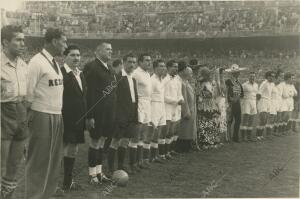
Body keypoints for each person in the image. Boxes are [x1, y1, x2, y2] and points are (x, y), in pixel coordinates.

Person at [25, 28, 67, 199]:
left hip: (57, 114)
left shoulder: (55, 62)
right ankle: (34, 195)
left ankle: (47, 194)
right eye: (64, 41)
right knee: (38, 160)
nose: (65, 45)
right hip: (41, 114)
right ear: (54, 41)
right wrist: (27, 120)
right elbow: (28, 93)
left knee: (54, 160)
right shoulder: (36, 62)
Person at [83, 42, 116, 184]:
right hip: (97, 112)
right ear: (98, 51)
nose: (110, 52)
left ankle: (99, 172)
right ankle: (92, 175)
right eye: (107, 49)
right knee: (95, 142)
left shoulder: (109, 67)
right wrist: (89, 115)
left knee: (102, 142)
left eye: (111, 50)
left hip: (108, 112)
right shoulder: (92, 67)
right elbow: (88, 93)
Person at [1, 25, 27, 199]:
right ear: (5, 42)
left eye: (23, 39)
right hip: (2, 113)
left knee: (14, 165)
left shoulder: (24, 65)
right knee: (0, 164)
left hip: (21, 113)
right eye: (18, 40)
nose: (22, 43)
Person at [106, 53, 138, 174]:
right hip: (120, 114)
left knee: (125, 141)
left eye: (134, 62)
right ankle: (110, 168)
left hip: (131, 113)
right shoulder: (117, 77)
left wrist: (135, 114)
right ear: (123, 63)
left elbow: (134, 98)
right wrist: (116, 115)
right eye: (129, 62)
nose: (132, 65)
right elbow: (112, 97)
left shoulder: (133, 79)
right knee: (115, 141)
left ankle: (120, 166)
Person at [60, 45, 87, 191]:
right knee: (61, 150)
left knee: (73, 149)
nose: (76, 58)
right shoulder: (61, 73)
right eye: (72, 55)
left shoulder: (80, 74)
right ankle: (53, 183)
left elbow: (83, 97)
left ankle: (68, 181)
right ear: (65, 56)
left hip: (78, 119)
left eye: (78, 55)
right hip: (65, 118)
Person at [132, 53, 152, 170]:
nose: (149, 62)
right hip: (139, 104)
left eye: (150, 60)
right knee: (136, 135)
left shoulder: (148, 74)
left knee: (143, 134)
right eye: (147, 60)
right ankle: (132, 163)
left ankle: (139, 161)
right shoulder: (136, 74)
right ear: (140, 62)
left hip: (147, 104)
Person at [163, 60, 184, 158]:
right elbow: (163, 96)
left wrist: (181, 99)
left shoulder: (178, 79)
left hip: (177, 108)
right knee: (168, 131)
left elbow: (180, 93)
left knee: (175, 130)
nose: (176, 68)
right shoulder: (164, 79)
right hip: (167, 107)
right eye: (174, 67)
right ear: (168, 68)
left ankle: (171, 150)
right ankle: (164, 152)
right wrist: (176, 101)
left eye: (177, 67)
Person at [196, 67, 220, 149]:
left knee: (211, 123)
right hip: (205, 105)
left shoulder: (209, 83)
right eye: (209, 74)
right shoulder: (203, 84)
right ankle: (205, 142)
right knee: (205, 123)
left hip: (210, 104)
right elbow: (206, 94)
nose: (211, 75)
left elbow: (213, 94)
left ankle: (211, 140)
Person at [149, 59, 167, 162]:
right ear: (155, 68)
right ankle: (151, 156)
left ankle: (155, 155)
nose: (163, 68)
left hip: (161, 107)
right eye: (161, 66)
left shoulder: (161, 80)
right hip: (154, 107)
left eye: (164, 66)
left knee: (159, 132)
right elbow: (150, 97)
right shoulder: (152, 80)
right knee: (153, 133)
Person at [176, 67, 197, 153]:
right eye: (190, 73)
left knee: (189, 128)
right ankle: (183, 147)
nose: (191, 75)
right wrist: (186, 110)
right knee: (184, 129)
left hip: (191, 107)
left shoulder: (187, 83)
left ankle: (188, 145)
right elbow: (184, 98)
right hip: (187, 108)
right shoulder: (182, 83)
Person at [225, 64, 245, 142]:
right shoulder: (228, 81)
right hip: (230, 104)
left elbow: (242, 94)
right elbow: (226, 92)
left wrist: (237, 98)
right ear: (233, 73)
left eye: (238, 72)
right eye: (236, 72)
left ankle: (235, 137)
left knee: (238, 121)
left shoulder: (239, 83)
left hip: (237, 104)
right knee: (229, 121)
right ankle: (228, 137)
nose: (238, 73)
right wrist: (228, 102)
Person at [240, 71, 259, 142]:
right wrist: (242, 103)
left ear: (255, 77)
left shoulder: (256, 85)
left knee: (251, 121)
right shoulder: (244, 85)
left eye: (253, 76)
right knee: (245, 120)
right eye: (251, 76)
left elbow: (256, 95)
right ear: (248, 77)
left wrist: (256, 103)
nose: (252, 77)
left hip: (253, 103)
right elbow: (240, 95)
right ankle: (243, 137)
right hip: (246, 103)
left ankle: (249, 136)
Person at [256, 71, 275, 140]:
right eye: (271, 76)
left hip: (268, 102)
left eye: (273, 76)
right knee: (262, 119)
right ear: (267, 76)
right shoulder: (264, 83)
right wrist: (257, 103)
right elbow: (259, 93)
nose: (272, 77)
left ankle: (260, 135)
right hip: (263, 101)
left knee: (265, 120)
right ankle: (257, 135)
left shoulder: (272, 84)